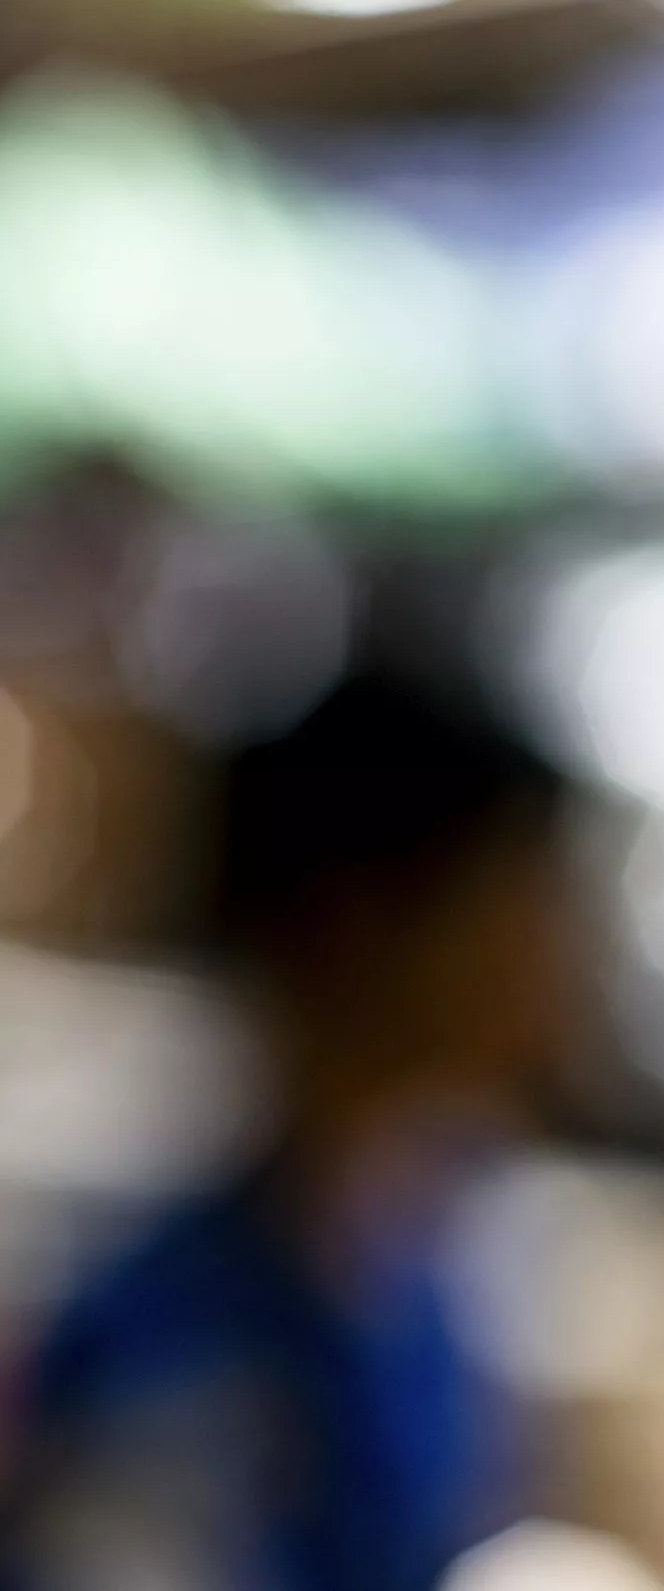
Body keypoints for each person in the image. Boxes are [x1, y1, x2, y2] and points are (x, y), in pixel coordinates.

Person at [0, 674, 575, 1591]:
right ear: (352, 922)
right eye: (515, 905)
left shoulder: (417, 1255)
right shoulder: (174, 1356)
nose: (559, 959)